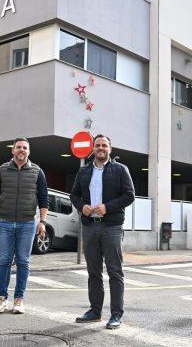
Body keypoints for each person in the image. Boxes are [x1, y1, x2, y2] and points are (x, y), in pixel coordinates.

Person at [70, 134, 135, 330]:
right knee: (93, 272)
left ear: (110, 149)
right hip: (90, 227)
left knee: (114, 271)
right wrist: (82, 206)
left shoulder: (120, 169)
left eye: (104, 145)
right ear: (93, 149)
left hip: (111, 226)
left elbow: (129, 195)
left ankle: (116, 314)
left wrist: (108, 207)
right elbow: (74, 195)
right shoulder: (84, 171)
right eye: (97, 145)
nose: (100, 148)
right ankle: (95, 311)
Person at [0, 138, 49, 315]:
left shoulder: (37, 171)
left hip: (27, 224)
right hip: (4, 222)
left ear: (29, 151)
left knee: (23, 261)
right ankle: (1, 298)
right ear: (12, 150)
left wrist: (42, 222)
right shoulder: (2, 170)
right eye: (19, 147)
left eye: (25, 148)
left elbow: (44, 199)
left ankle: (19, 299)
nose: (22, 150)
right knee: (5, 261)